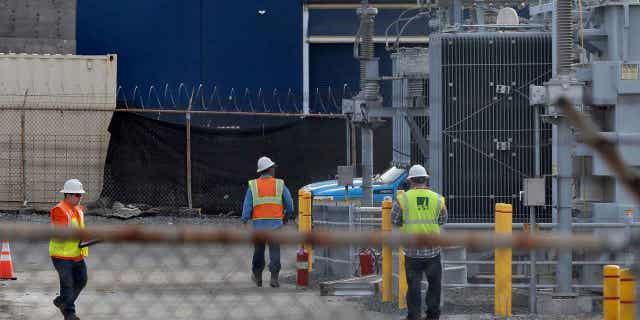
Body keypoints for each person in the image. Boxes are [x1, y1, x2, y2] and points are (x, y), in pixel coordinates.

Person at [392, 165, 448, 320]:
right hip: (433, 250)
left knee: (414, 286)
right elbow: (443, 219)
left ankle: (414, 315)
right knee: (434, 285)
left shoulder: (402, 199)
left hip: (412, 251)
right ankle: (433, 315)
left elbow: (394, 220)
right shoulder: (437, 198)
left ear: (410, 180)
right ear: (426, 179)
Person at [241, 156, 295, 288]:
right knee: (275, 251)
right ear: (270, 169)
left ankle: (258, 277)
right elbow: (290, 204)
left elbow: (247, 206)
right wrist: (286, 216)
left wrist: (245, 220)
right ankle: (274, 278)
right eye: (273, 168)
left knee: (258, 251)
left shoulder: (253, 185)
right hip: (276, 224)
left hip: (259, 226)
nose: (274, 170)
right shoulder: (280, 184)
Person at [49, 179, 89, 320]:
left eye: (80, 195)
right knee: (68, 283)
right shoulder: (60, 210)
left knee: (82, 280)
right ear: (68, 195)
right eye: (77, 195)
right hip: (61, 255)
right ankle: (69, 313)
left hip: (77, 254)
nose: (80, 198)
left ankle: (63, 301)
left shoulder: (78, 209)